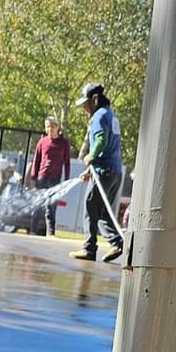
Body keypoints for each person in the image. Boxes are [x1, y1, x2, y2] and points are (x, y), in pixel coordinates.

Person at [70, 83, 124, 263]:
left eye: (86, 103)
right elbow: (109, 146)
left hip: (104, 170)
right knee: (102, 212)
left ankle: (90, 248)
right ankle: (115, 243)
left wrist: (90, 156)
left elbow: (101, 140)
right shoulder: (111, 115)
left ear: (94, 100)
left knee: (91, 208)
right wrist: (88, 170)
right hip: (114, 171)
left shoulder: (99, 116)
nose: (84, 108)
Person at [30, 116, 72, 235]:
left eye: (52, 126)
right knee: (38, 206)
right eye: (47, 127)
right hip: (42, 177)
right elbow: (36, 161)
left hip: (55, 179)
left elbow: (67, 162)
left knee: (51, 208)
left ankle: (51, 233)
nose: (49, 129)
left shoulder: (64, 143)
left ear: (57, 127)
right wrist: (33, 178)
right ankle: (32, 230)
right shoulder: (42, 142)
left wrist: (66, 180)